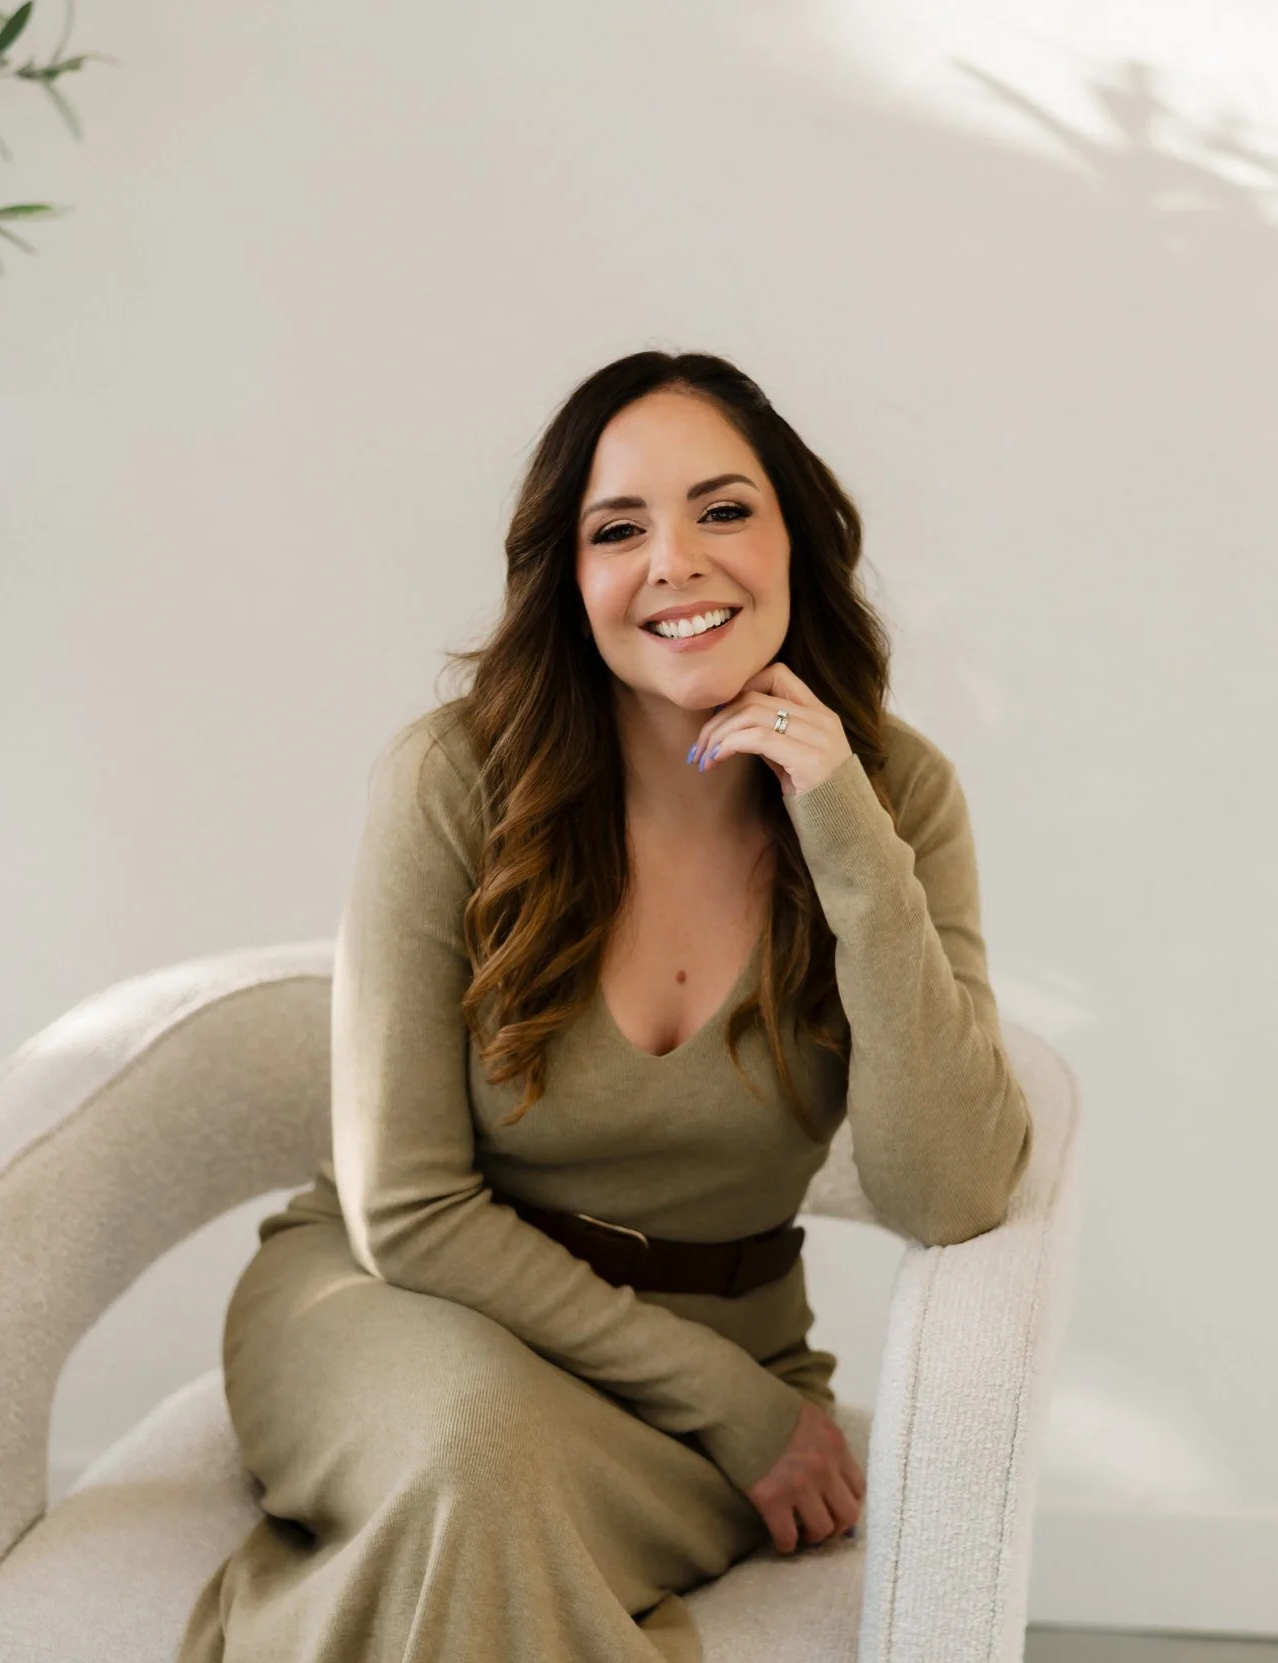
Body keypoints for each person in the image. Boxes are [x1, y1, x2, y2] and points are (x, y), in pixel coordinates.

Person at [176, 349, 1033, 1663]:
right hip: (397, 1311)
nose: (674, 563)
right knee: (472, 1446)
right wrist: (731, 1407)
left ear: (796, 538)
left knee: (481, 1490)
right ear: (568, 579)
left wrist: (850, 841)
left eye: (722, 509)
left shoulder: (896, 796)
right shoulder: (455, 778)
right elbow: (406, 1207)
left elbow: (952, 1191)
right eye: (618, 529)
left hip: (706, 1362)